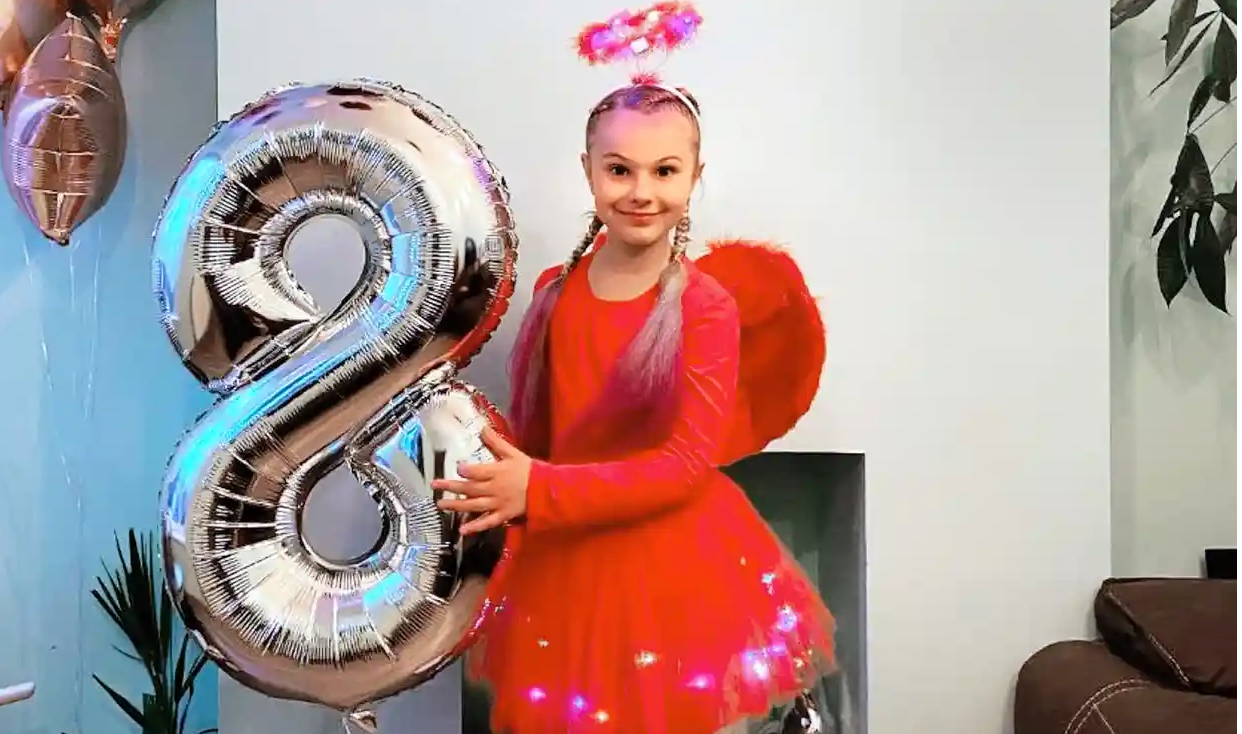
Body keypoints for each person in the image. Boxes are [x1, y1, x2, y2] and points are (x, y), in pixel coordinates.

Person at [432, 73, 838, 734]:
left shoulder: (705, 308)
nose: (641, 191)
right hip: (565, 559)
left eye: (665, 171)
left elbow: (684, 465)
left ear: (695, 177)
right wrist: (512, 489)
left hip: (670, 566)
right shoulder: (556, 292)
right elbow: (542, 434)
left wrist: (538, 489)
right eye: (619, 170)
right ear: (588, 171)